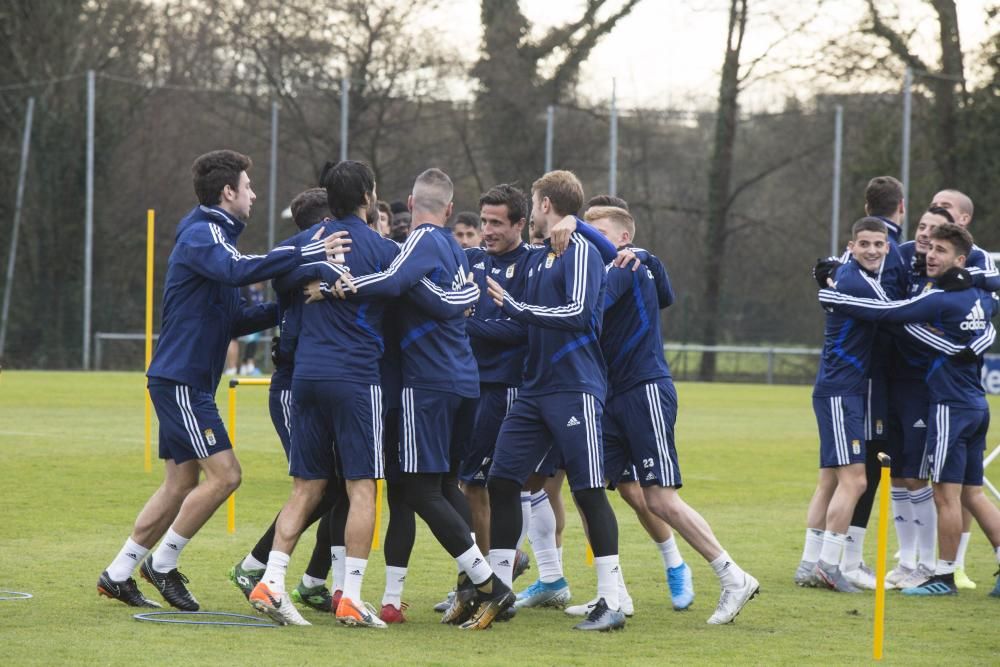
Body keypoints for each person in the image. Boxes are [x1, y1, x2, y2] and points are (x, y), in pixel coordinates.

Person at [97, 150, 346, 609]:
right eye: (248, 187)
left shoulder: (218, 238)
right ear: (228, 192)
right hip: (182, 380)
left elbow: (236, 319)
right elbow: (237, 270)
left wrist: (296, 304)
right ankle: (163, 564)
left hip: (182, 379)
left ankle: (117, 573)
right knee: (227, 476)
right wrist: (307, 249)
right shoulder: (203, 233)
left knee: (179, 484)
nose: (253, 194)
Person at [327, 168, 513, 630]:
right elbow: (454, 296)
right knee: (447, 486)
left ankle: (488, 581)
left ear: (411, 204)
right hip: (464, 383)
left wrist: (342, 285)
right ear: (451, 209)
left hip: (426, 386)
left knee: (417, 490)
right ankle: (475, 586)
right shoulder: (456, 246)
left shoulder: (420, 241)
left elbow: (392, 281)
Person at [587, 205, 757, 623]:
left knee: (660, 499)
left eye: (598, 233)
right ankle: (614, 595)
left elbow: (589, 312)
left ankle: (732, 575)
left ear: (623, 239)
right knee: (590, 487)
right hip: (612, 396)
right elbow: (665, 295)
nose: (589, 240)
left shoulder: (624, 267)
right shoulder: (628, 265)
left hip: (643, 391)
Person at [818, 222, 1000, 596]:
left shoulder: (939, 299)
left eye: (941, 251)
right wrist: (972, 344)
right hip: (977, 405)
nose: (930, 255)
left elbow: (890, 315)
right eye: (929, 247)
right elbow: (987, 329)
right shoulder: (979, 297)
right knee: (973, 495)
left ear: (960, 259)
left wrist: (833, 297)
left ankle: (942, 577)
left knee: (944, 495)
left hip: (949, 407)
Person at [482, 169, 627, 631]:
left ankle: (611, 602)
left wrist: (517, 306)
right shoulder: (540, 254)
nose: (531, 205)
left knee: (586, 491)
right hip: (536, 390)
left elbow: (579, 314)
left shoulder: (579, 248)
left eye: (533, 199)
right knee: (502, 479)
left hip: (575, 388)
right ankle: (498, 591)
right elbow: (524, 321)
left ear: (545, 205)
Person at [228, 188, 345, 614]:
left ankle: (316, 580)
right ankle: (254, 566)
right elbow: (281, 277)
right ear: (325, 223)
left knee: (336, 488)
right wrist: (314, 266)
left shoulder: (325, 252)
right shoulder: (294, 254)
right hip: (294, 387)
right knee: (317, 485)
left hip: (324, 382)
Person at [797, 217, 890, 593]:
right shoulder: (855, 281)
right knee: (856, 481)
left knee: (830, 481)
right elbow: (896, 312)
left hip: (837, 391)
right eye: (864, 243)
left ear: (886, 247)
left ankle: (808, 564)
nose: (871, 250)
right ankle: (829, 566)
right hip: (840, 393)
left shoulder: (849, 277)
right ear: (851, 247)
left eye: (878, 244)